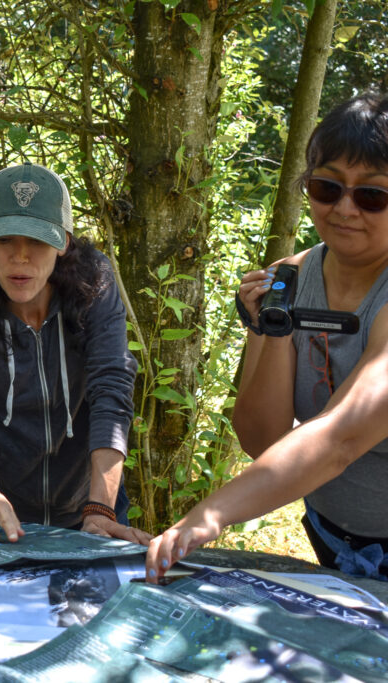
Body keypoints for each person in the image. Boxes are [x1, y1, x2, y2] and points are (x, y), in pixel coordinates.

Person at [147, 93, 388, 583]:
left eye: (372, 196)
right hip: (332, 537)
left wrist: (212, 514)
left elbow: (341, 437)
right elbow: (263, 440)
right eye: (326, 188)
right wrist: (275, 331)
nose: (344, 209)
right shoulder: (288, 279)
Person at [0, 162, 150, 545]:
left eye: (38, 241)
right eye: (5, 240)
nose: (21, 257)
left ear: (64, 243)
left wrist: (100, 508)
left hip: (92, 500)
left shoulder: (94, 289)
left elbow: (111, 390)